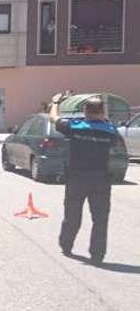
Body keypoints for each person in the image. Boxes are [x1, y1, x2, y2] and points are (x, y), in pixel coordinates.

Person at [51, 96, 120, 265]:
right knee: (100, 219)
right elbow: (114, 140)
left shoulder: (75, 127)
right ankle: (97, 254)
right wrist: (103, 120)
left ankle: (66, 245)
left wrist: (55, 103)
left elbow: (54, 118)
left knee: (72, 215)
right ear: (102, 112)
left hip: (77, 179)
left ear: (85, 111)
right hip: (100, 180)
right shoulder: (110, 130)